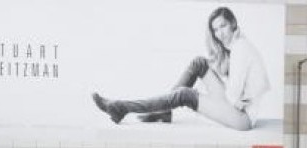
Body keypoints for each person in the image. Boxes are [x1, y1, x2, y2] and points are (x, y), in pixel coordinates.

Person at [92, 7, 269, 131]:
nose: (219, 34)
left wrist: (206, 94)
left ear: (232, 23)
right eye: (215, 30)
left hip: (242, 118)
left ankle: (122, 107)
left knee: (185, 95)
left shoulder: (240, 49)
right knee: (199, 63)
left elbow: (232, 97)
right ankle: (164, 111)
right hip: (236, 107)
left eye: (222, 26)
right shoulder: (237, 44)